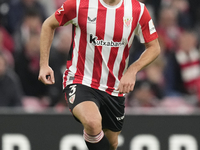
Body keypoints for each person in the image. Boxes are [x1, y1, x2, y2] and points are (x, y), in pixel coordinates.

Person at [38, 0, 160, 149]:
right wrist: (44, 65)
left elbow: (154, 47)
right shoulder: (79, 5)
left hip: (114, 88)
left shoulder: (138, 10)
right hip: (81, 79)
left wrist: (132, 70)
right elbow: (48, 25)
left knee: (112, 143)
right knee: (92, 122)